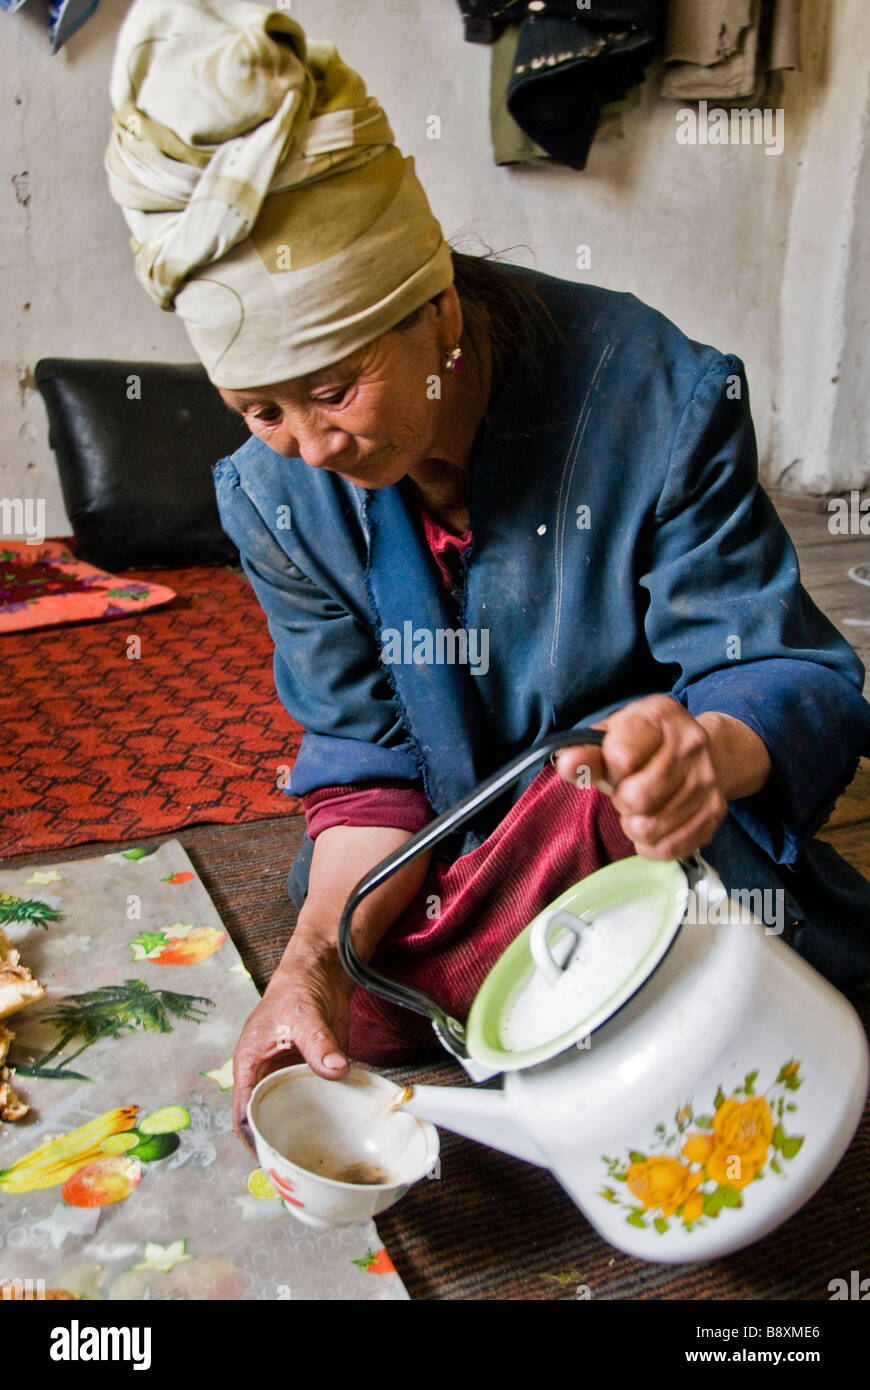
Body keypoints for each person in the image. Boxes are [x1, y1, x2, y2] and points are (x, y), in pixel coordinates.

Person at [106, 0, 870, 1146]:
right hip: (463, 851)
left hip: (638, 830)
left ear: (438, 310)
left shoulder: (657, 400)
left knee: (721, 1010)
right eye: (261, 407)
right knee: (343, 1006)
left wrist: (702, 750)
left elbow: (784, 668)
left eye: (335, 390)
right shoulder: (272, 495)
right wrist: (308, 965)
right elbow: (364, 773)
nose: (313, 449)